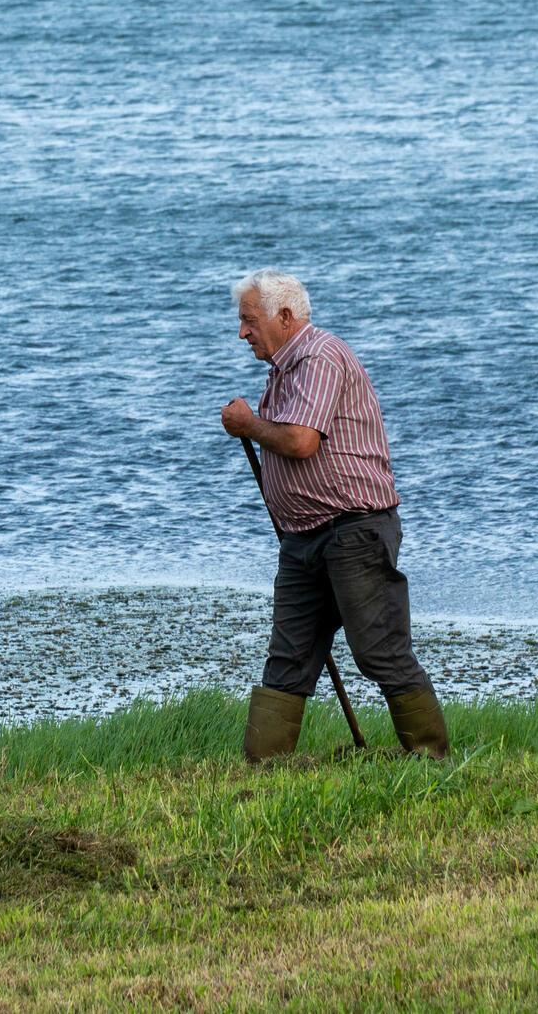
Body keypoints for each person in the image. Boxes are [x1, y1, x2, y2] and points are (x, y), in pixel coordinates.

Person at [220, 268, 449, 762]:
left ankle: (432, 760)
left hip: (353, 530)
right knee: (289, 656)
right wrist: (254, 426)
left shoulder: (320, 356)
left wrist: (249, 424)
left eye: (249, 321)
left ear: (284, 317)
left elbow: (301, 441)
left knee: (379, 648)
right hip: (303, 538)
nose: (242, 333)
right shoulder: (283, 369)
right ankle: (263, 768)